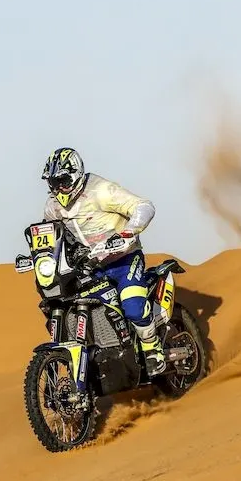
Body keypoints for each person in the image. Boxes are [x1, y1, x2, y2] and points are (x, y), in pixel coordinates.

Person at [40, 146, 166, 377]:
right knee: (63, 305)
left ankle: (152, 349)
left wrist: (127, 233)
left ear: (76, 175)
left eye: (63, 181)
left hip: (124, 259)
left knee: (132, 304)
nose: (59, 188)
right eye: (53, 183)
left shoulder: (101, 190)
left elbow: (143, 206)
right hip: (90, 267)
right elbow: (51, 237)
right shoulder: (53, 206)